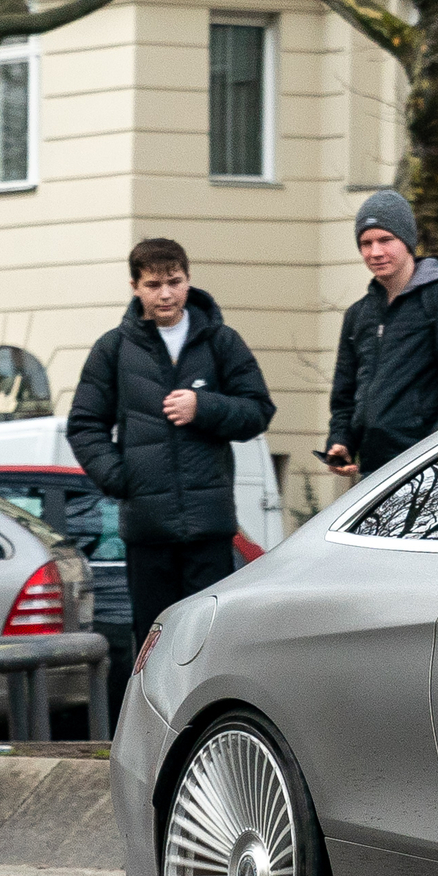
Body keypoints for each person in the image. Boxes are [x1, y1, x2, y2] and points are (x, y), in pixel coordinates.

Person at [65, 238, 276, 635]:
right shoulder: (112, 349)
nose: (165, 294)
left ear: (188, 280)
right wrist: (121, 479)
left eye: (174, 282)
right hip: (148, 530)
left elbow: (258, 411)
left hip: (209, 527)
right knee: (154, 641)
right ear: (134, 286)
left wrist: (204, 407)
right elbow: (85, 424)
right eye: (152, 285)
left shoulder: (221, 342)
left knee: (208, 640)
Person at [326, 190, 438, 478]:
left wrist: (435, 457)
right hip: (374, 474)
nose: (375, 252)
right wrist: (341, 440)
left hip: (435, 473)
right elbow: (345, 396)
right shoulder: (358, 314)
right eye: (366, 243)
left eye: (385, 240)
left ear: (407, 242)